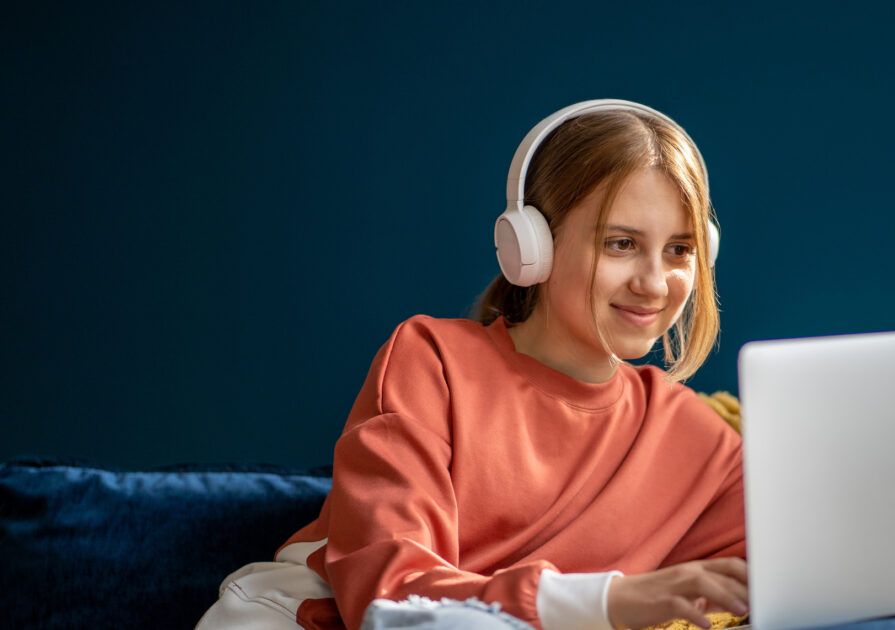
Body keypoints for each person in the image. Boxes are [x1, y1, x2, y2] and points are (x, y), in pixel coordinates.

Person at [195, 100, 747, 630]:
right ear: (532, 247)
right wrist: (610, 601)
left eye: (680, 249)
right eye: (621, 243)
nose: (654, 283)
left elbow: (799, 566)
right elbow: (390, 596)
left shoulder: (697, 439)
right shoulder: (431, 361)